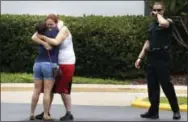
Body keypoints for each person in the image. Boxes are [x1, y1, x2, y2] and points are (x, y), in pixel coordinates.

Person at [135, 2, 181, 120]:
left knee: (167, 86)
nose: (156, 12)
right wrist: (140, 57)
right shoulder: (151, 26)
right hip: (152, 57)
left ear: (163, 10)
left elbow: (164, 23)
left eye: (159, 10)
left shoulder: (168, 22)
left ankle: (176, 110)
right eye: (154, 10)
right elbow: (148, 43)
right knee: (152, 87)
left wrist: (158, 15)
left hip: (162, 58)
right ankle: (153, 111)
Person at [33, 14, 75, 121]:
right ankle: (46, 111)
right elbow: (34, 36)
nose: (49, 27)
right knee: (50, 89)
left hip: (66, 62)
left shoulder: (64, 29)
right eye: (48, 24)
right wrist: (43, 40)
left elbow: (56, 42)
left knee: (64, 89)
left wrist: (43, 37)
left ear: (57, 23)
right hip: (55, 62)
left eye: (52, 24)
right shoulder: (51, 28)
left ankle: (69, 113)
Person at [30, 20, 59, 120]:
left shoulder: (40, 34)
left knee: (36, 90)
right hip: (48, 64)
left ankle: (32, 113)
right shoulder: (55, 32)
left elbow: (33, 36)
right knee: (47, 91)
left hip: (37, 63)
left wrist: (43, 42)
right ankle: (46, 115)